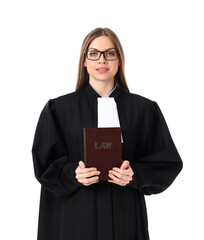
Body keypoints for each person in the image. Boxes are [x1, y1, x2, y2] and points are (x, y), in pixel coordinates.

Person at [31, 27, 183, 240]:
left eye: (110, 53)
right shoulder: (58, 109)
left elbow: (167, 163)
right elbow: (45, 164)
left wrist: (134, 174)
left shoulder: (144, 110)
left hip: (125, 217)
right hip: (76, 217)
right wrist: (73, 173)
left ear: (119, 60)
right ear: (84, 61)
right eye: (93, 54)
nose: (102, 60)